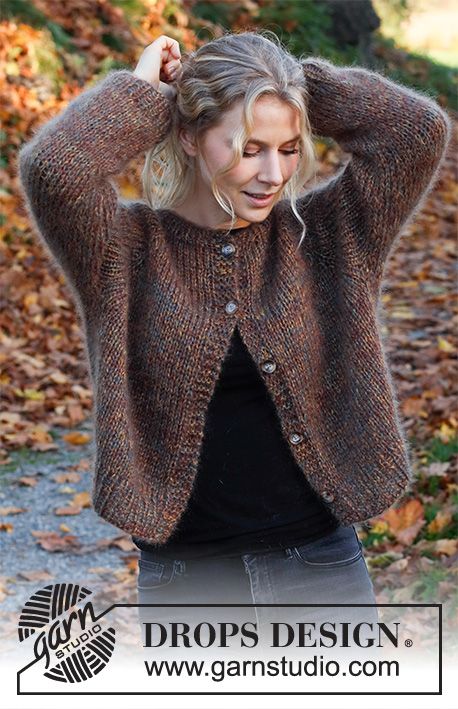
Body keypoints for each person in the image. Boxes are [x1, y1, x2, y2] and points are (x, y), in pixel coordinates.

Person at [18, 30, 451, 650]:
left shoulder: (328, 236)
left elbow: (415, 133)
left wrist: (289, 83)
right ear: (192, 138)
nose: (273, 173)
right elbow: (57, 170)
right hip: (189, 583)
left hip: (320, 571)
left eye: (288, 148)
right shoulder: (124, 252)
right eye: (249, 147)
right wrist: (144, 94)